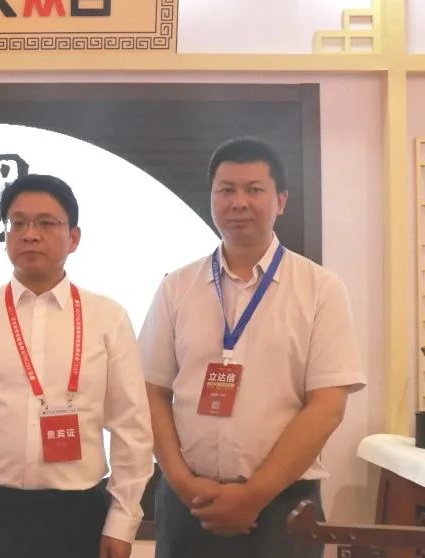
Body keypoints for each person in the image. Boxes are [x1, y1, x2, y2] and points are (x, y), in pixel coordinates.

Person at [139, 138, 366, 558]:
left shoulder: (320, 289)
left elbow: (327, 405)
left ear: (281, 200)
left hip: (282, 506)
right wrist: (183, 482)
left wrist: (254, 495)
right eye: (226, 189)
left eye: (254, 189)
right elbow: (151, 391)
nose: (238, 202)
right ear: (212, 198)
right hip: (188, 505)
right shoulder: (176, 287)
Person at [0, 173, 153, 558]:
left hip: (79, 513)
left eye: (46, 223)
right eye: (18, 223)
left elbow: (132, 427)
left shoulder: (108, 317)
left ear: (73, 238)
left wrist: (123, 518)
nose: (30, 234)